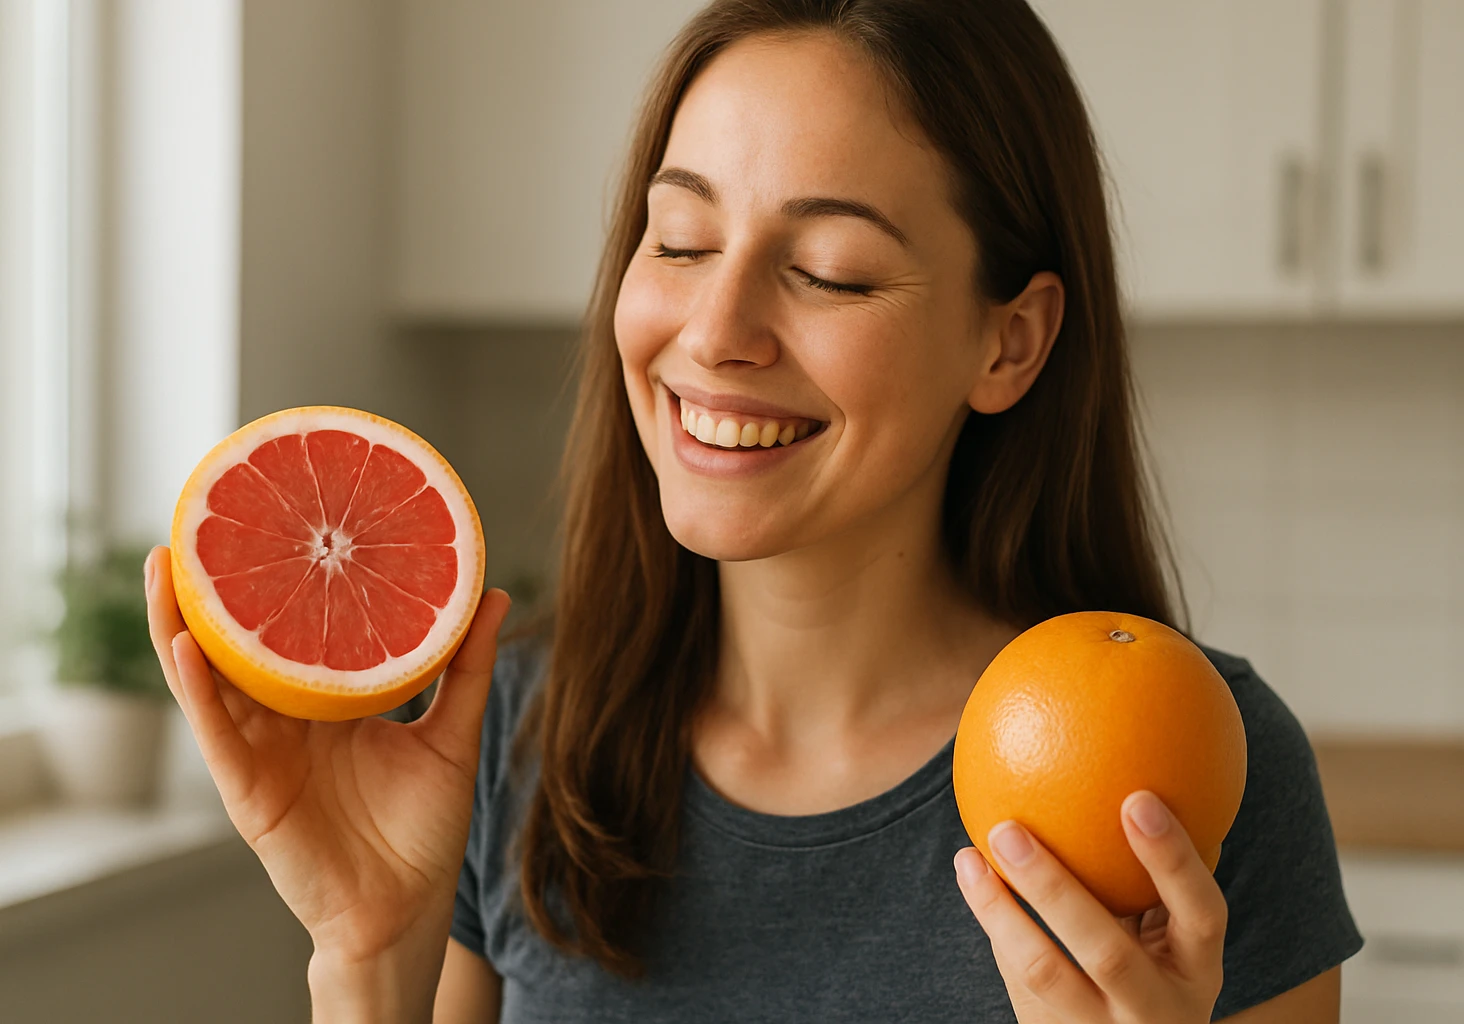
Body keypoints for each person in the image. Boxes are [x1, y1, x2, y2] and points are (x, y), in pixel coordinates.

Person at [145, 1, 1363, 1021]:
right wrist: (366, 961)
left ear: (1013, 340)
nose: (715, 334)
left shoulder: (1191, 775)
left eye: (828, 269)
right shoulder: (515, 732)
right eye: (678, 241)